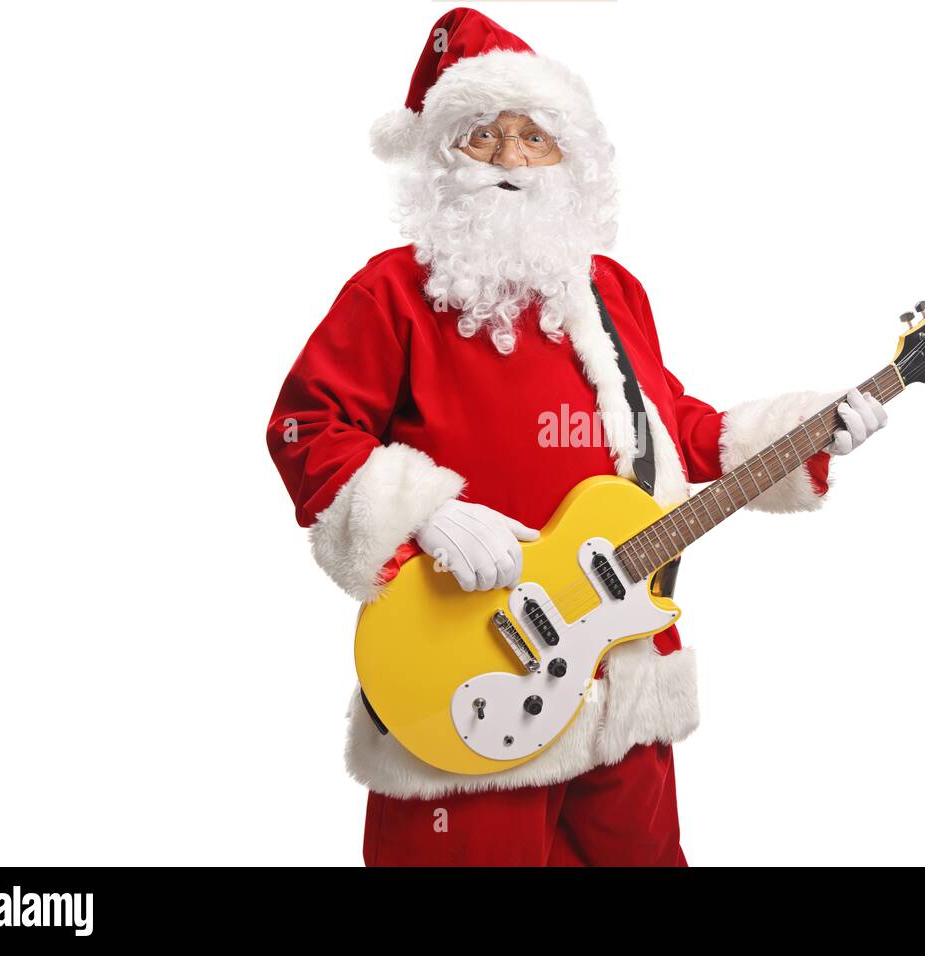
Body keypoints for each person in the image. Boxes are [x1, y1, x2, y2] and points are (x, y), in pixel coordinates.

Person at [266, 7, 886, 866]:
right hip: (468, 682)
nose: (513, 160)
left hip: (623, 679)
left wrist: (804, 431)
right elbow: (306, 426)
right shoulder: (389, 294)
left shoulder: (613, 293)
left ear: (572, 160)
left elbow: (672, 428)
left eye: (535, 138)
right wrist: (426, 513)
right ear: (440, 159)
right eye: (483, 137)